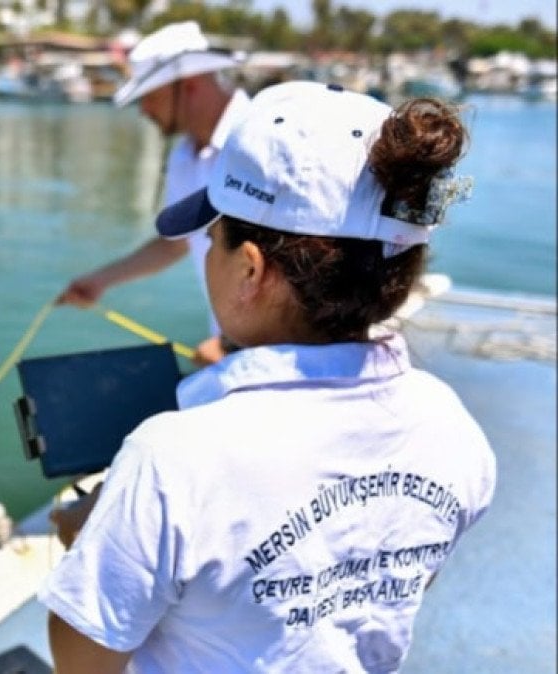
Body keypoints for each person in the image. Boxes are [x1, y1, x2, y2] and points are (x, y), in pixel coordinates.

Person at [39, 81, 496, 673]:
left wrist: (93, 539)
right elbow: (396, 583)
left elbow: (83, 663)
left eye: (211, 239)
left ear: (249, 269)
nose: (206, 253)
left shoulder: (173, 460)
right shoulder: (451, 427)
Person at [58, 20, 250, 366]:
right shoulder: (184, 156)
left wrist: (231, 346)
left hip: (276, 361)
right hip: (232, 356)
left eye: (149, 96)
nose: (143, 110)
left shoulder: (261, 140)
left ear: (188, 85)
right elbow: (177, 241)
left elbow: (299, 263)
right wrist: (101, 280)